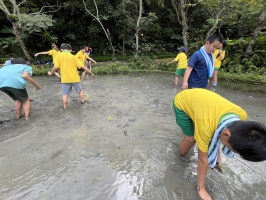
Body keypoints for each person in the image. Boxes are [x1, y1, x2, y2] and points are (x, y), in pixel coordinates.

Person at [173, 88, 266, 200]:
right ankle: (179, 157)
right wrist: (201, 188)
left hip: (203, 104)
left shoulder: (242, 116)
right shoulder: (206, 126)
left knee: (205, 133)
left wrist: (217, 155)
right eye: (233, 150)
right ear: (226, 133)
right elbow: (202, 159)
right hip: (182, 101)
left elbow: (217, 133)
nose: (233, 151)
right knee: (191, 139)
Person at [48, 43, 94, 109]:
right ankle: (83, 102)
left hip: (65, 79)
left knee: (65, 94)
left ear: (61, 49)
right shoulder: (74, 57)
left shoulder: (58, 57)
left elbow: (55, 68)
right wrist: (91, 73)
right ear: (70, 50)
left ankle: (64, 107)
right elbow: (83, 67)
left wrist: (51, 73)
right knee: (80, 90)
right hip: (75, 78)